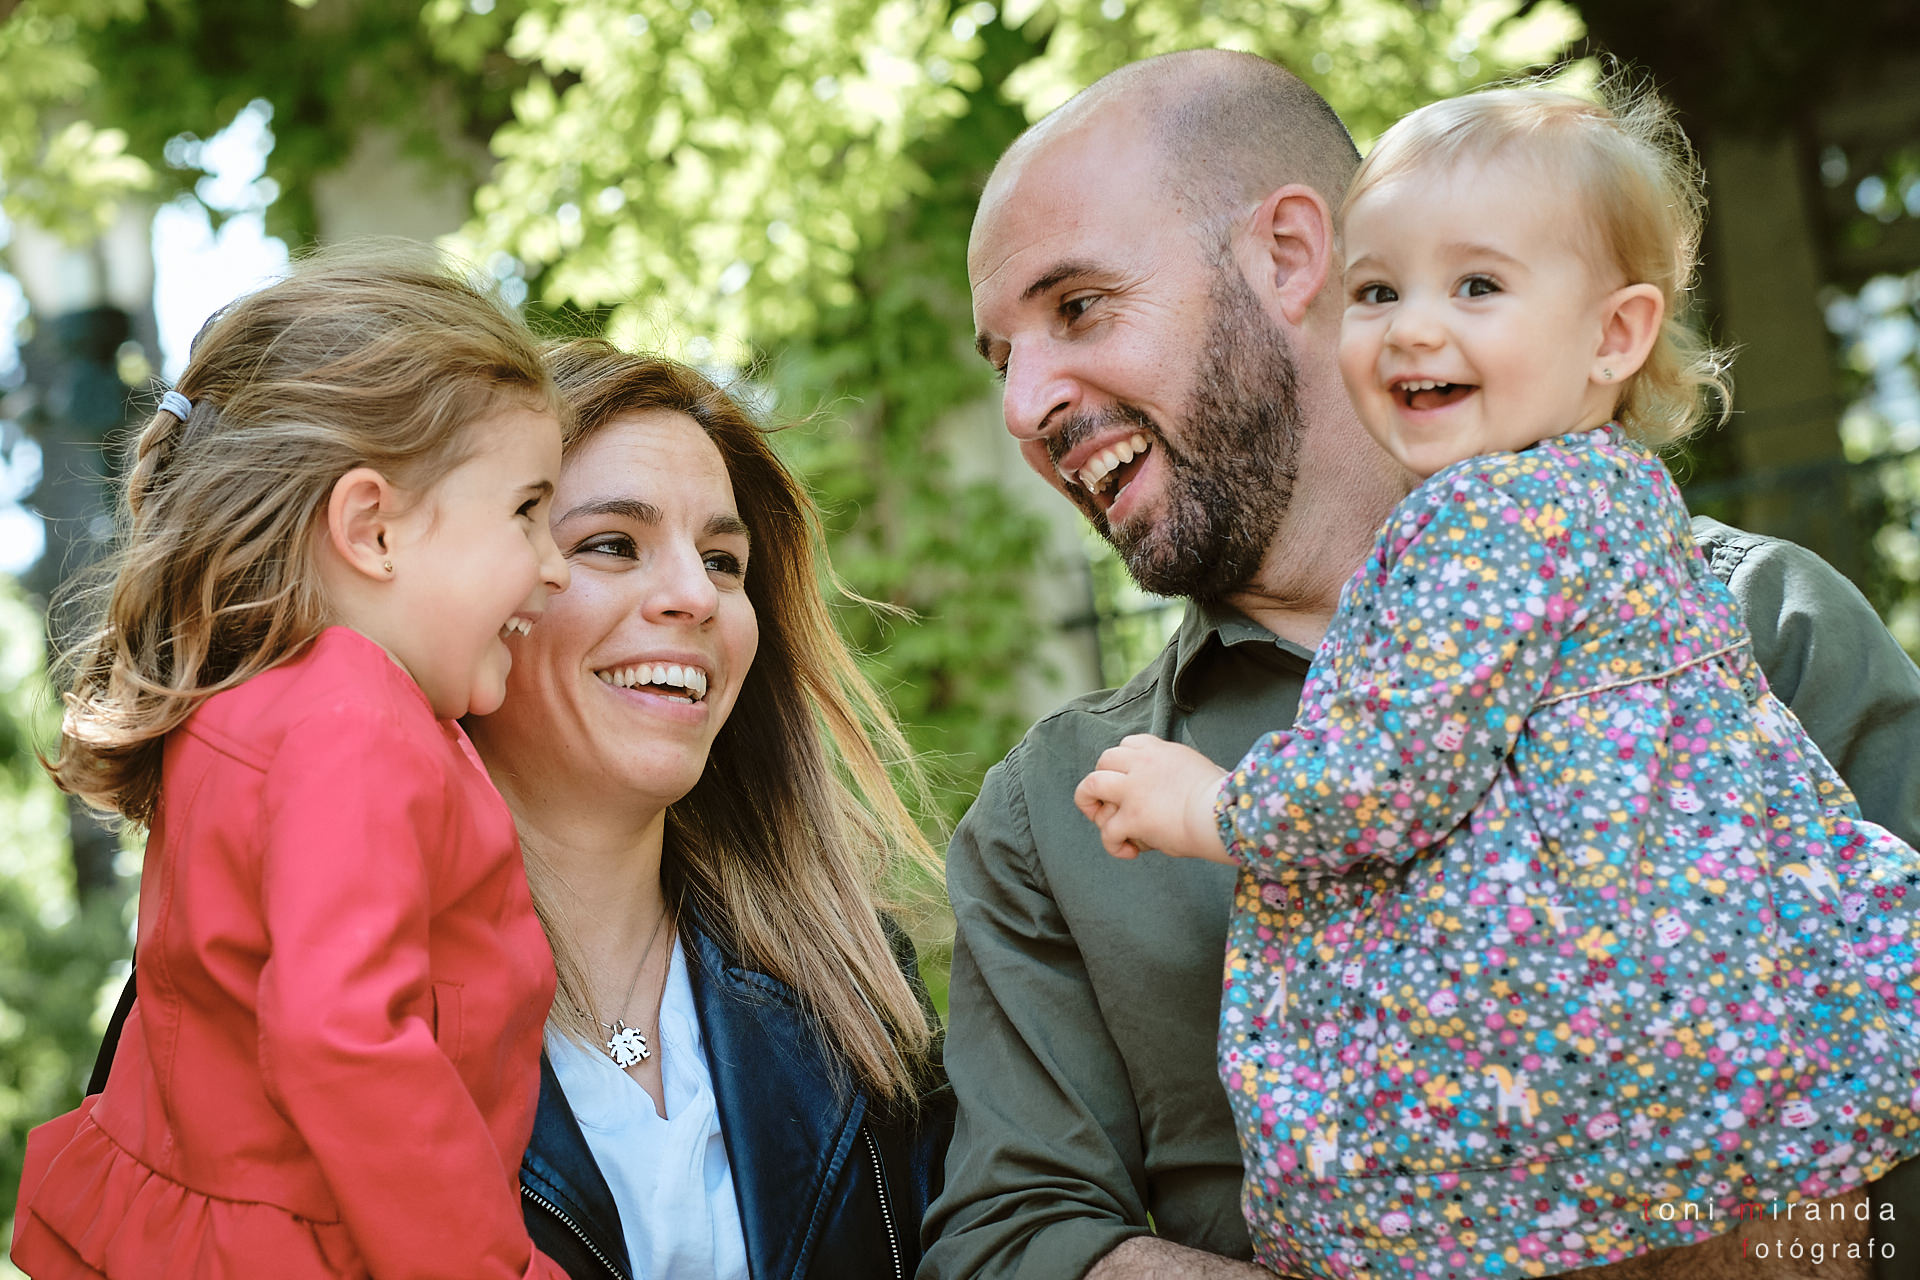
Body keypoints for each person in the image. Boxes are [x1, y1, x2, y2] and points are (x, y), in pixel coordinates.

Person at [925, 49, 1920, 1280]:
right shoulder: (1052, 820)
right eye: (1001, 358)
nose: (1025, 404)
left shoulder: (1755, 625)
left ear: (1293, 256)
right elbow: (1013, 1242)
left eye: (1078, 306)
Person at [11, 250, 573, 1279]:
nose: (554, 564)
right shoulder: (355, 717)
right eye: (527, 512)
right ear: (372, 529)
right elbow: (342, 1034)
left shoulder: (249, 705)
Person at [462, 339, 953, 1280]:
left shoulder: (851, 982)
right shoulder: (320, 995)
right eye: (612, 544)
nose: (697, 596)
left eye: (724, 561)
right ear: (473, 590)